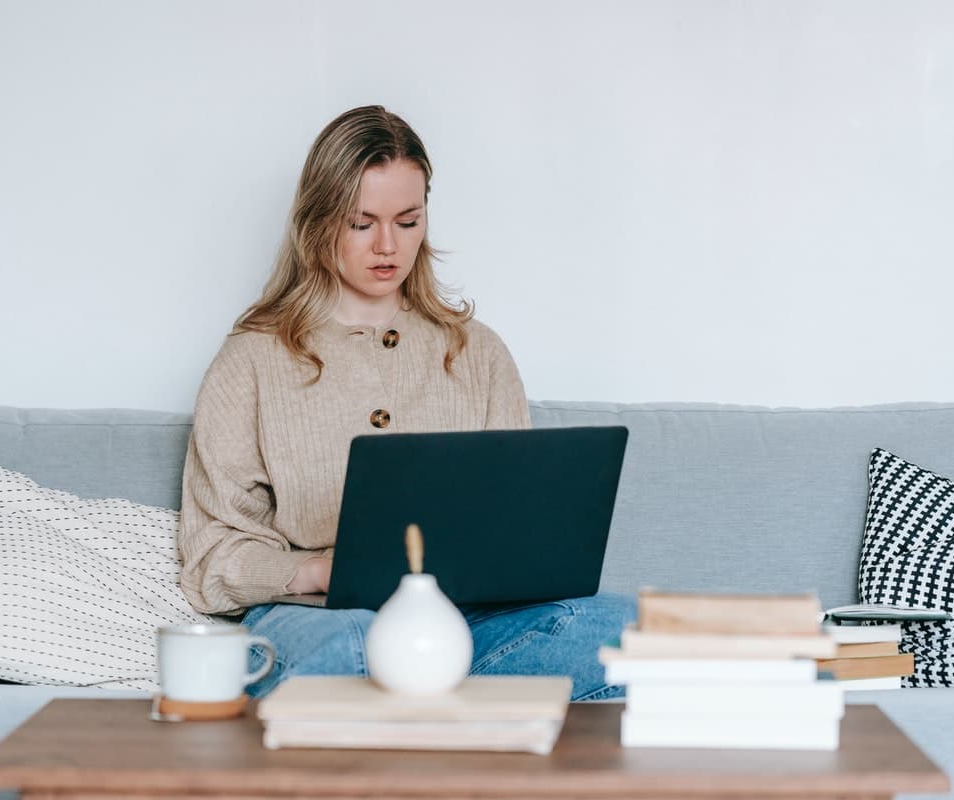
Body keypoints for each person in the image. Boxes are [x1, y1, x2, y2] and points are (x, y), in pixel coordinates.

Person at [178, 105, 634, 700]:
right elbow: (212, 555)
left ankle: (425, 678)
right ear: (318, 224)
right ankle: (454, 686)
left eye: (408, 220)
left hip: (465, 617)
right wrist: (316, 570)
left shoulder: (479, 353)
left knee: (623, 627)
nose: (388, 245)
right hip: (325, 616)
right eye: (361, 223)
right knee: (355, 648)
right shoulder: (252, 360)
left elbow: (520, 528)